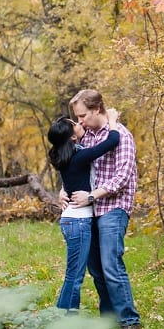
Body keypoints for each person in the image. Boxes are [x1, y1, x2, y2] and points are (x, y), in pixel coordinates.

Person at [68, 89, 141, 329]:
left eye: (82, 116)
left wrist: (92, 195)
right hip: (89, 212)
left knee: (111, 265)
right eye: (77, 118)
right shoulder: (86, 138)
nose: (80, 122)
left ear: (97, 109)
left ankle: (130, 321)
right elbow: (75, 168)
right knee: (96, 269)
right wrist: (63, 190)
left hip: (114, 207)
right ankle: (109, 320)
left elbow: (122, 178)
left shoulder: (121, 134)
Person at [48, 109, 120, 313]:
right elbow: (112, 140)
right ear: (72, 136)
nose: (80, 125)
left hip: (72, 221)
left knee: (75, 274)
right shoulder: (79, 157)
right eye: (76, 124)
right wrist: (112, 120)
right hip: (78, 222)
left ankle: (66, 317)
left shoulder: (66, 156)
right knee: (75, 276)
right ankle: (65, 319)